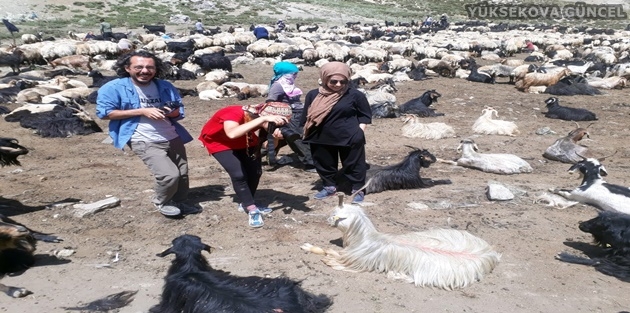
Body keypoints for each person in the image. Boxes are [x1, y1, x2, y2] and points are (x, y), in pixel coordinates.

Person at [96, 50, 198, 218]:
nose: (145, 71)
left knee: (182, 173)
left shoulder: (165, 86)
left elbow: (179, 112)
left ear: (156, 69)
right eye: (139, 67)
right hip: (142, 138)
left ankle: (179, 201)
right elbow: (105, 113)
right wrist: (142, 111)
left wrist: (169, 111)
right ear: (127, 68)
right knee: (168, 174)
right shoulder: (113, 87)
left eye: (149, 67)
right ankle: (162, 201)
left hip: (171, 135)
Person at [199, 102, 292, 228]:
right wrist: (264, 119)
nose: (276, 125)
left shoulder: (261, 120)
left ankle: (246, 202)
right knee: (238, 174)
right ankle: (252, 208)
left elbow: (268, 147)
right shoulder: (233, 113)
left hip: (245, 139)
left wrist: (275, 137)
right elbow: (232, 133)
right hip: (220, 142)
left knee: (255, 172)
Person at [300, 62, 372, 204]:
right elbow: (306, 115)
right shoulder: (313, 95)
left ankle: (357, 189)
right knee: (324, 163)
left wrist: (359, 131)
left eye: (343, 81)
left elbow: (365, 115)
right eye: (333, 81)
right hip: (320, 136)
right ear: (325, 78)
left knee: (354, 164)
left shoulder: (355, 95)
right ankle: (329, 187)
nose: (338, 85)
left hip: (349, 136)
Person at [266, 61, 315, 172]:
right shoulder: (278, 85)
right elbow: (270, 102)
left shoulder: (287, 84)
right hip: (289, 115)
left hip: (297, 113)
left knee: (288, 137)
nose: (295, 76)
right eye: (293, 74)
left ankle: (262, 154)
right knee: (297, 138)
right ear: (285, 74)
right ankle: (310, 163)